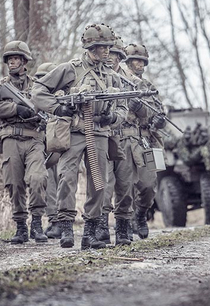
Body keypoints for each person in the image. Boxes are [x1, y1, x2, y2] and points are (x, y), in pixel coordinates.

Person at [32, 23, 127, 250]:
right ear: (91, 47)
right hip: (74, 131)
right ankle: (65, 226)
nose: (107, 51)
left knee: (99, 182)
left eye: (108, 47)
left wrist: (112, 118)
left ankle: (91, 233)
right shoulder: (70, 69)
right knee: (67, 178)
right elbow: (38, 91)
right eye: (102, 47)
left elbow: (123, 106)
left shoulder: (112, 77)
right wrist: (57, 108)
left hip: (100, 132)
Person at [0, 41, 49, 244]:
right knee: (14, 183)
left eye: (16, 59)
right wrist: (15, 109)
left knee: (38, 178)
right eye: (10, 59)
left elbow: (48, 105)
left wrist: (37, 111)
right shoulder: (0, 86)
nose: (13, 62)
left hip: (34, 138)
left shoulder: (37, 86)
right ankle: (21, 226)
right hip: (10, 138)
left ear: (24, 62)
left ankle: (37, 223)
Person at [96, 36, 138, 246]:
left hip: (124, 138)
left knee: (125, 184)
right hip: (103, 135)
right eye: (108, 54)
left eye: (115, 55)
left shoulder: (132, 81)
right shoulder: (95, 76)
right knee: (103, 183)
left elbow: (147, 111)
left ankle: (123, 227)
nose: (110, 58)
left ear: (121, 58)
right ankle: (101, 226)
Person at [124, 43, 166, 239]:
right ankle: (125, 221)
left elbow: (160, 112)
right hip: (123, 137)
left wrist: (159, 120)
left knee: (148, 184)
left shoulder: (148, 87)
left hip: (144, 139)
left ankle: (141, 215)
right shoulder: (118, 83)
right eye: (135, 60)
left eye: (142, 61)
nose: (139, 64)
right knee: (124, 186)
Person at [33, 62, 61, 239]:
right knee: (46, 180)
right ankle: (51, 220)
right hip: (39, 143)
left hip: (59, 144)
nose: (42, 81)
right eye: (40, 78)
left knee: (58, 181)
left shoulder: (60, 97)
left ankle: (58, 220)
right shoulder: (35, 96)